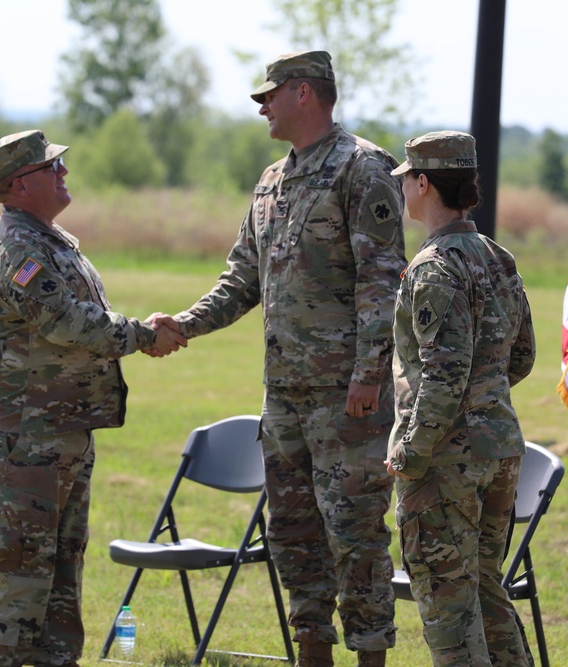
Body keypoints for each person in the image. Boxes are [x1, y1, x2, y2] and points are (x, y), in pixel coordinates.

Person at [149, 51, 406, 667]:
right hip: (285, 398)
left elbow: (382, 282)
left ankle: (371, 656)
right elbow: (242, 279)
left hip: (347, 401)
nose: (261, 105)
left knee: (355, 536)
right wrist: (182, 324)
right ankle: (311, 655)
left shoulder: (363, 169)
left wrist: (368, 374)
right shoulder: (271, 181)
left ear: (304, 94)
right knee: (293, 537)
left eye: (270, 95)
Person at [0, 129, 185, 667]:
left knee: (61, 583)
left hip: (60, 435)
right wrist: (141, 335)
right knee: (18, 585)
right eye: (50, 168)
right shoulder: (16, 248)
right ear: (20, 184)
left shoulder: (48, 238)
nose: (63, 173)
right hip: (23, 439)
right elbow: (64, 321)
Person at [385, 131, 536, 666]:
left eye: (407, 176)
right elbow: (522, 357)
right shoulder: (498, 258)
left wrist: (411, 452)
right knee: (485, 591)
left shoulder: (433, 267)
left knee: (449, 606)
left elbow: (443, 379)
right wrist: (484, 403)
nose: (403, 185)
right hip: (498, 449)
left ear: (424, 183)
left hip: (445, 460)